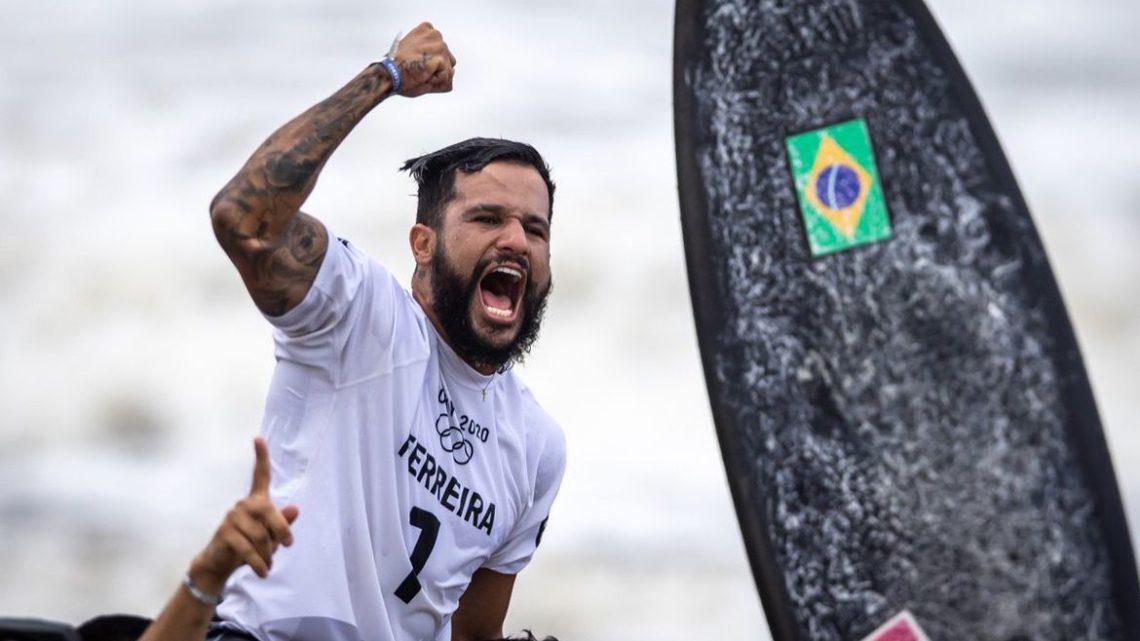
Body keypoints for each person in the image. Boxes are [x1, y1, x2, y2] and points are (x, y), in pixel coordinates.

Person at [189, 21, 566, 641]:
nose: (517, 242)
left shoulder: (537, 447)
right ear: (423, 244)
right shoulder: (359, 314)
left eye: (536, 228)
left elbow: (475, 634)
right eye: (488, 218)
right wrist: (385, 78)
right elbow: (245, 218)